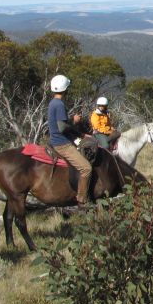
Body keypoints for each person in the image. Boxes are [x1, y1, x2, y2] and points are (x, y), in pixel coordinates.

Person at [47, 74, 92, 206]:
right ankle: (82, 200)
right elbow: (62, 127)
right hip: (62, 144)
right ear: (65, 89)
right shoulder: (60, 104)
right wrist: (74, 120)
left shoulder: (53, 103)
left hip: (56, 140)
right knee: (86, 168)